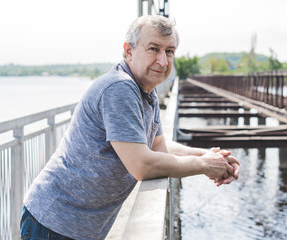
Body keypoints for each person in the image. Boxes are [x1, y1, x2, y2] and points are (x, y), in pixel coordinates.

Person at [20, 15, 240, 240]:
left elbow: (157, 146)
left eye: (170, 51)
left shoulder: (147, 90)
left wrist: (209, 156)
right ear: (128, 51)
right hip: (54, 222)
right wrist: (204, 165)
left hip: (80, 227)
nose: (163, 61)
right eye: (153, 49)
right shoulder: (119, 88)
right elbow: (142, 165)